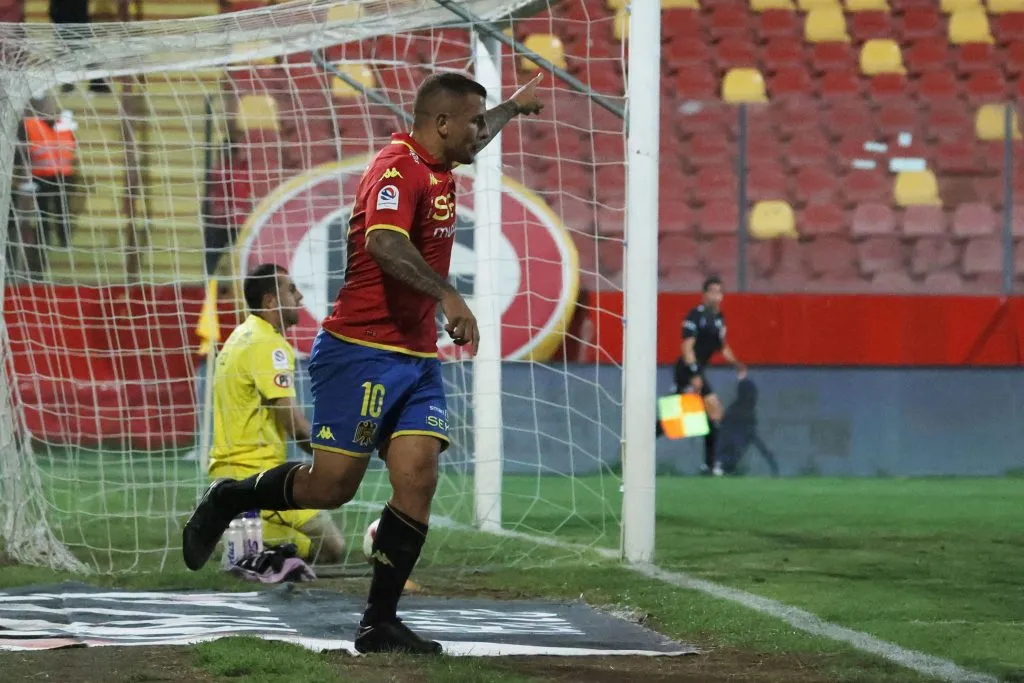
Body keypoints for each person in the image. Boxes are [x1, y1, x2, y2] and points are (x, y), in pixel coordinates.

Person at [182, 71, 546, 654]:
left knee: (418, 478)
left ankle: (378, 622)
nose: (481, 132)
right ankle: (229, 497)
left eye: (485, 122)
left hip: (417, 358)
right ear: (442, 124)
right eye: (474, 122)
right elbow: (384, 242)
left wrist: (512, 108)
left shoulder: (440, 163)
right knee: (331, 488)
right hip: (361, 351)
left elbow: (477, 134)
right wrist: (448, 295)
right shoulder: (397, 169)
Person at [208, 263, 345, 565]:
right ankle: (240, 542)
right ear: (270, 301)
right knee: (331, 547)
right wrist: (331, 459)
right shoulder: (268, 344)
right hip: (258, 477)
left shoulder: (240, 335)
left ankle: (236, 531)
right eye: (291, 290)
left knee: (310, 536)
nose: (299, 297)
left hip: (229, 473)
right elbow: (294, 425)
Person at [674, 276, 747, 476]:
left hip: (697, 372)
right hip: (686, 371)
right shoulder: (695, 316)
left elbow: (722, 346)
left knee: (707, 417)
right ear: (704, 294)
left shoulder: (719, 319)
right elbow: (687, 348)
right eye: (712, 292)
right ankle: (711, 465)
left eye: (719, 292)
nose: (716, 296)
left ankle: (710, 465)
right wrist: (694, 373)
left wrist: (736, 363)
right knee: (704, 415)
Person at [714, 377, 779, 477]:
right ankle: (722, 468)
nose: (754, 397)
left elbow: (752, 436)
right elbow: (729, 439)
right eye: (752, 393)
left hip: (729, 458)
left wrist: (770, 458)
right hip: (726, 458)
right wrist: (770, 459)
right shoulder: (740, 413)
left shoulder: (740, 411)